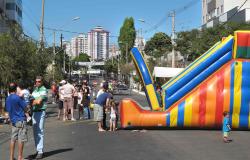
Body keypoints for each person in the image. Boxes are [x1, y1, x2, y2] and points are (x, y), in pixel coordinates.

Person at [5, 82, 30, 160]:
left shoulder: (8, 98)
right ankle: (20, 157)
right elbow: (26, 108)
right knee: (20, 139)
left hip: (13, 121)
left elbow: (7, 110)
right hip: (21, 120)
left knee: (13, 139)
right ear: (16, 89)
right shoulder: (18, 98)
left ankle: (11, 157)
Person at [31, 76, 48, 159]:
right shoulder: (35, 90)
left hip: (40, 112)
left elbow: (38, 101)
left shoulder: (44, 90)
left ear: (42, 82)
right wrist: (33, 101)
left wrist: (32, 101)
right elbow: (32, 100)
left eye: (39, 81)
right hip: (34, 112)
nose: (37, 83)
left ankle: (40, 151)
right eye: (36, 81)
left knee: (39, 131)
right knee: (35, 132)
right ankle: (38, 150)